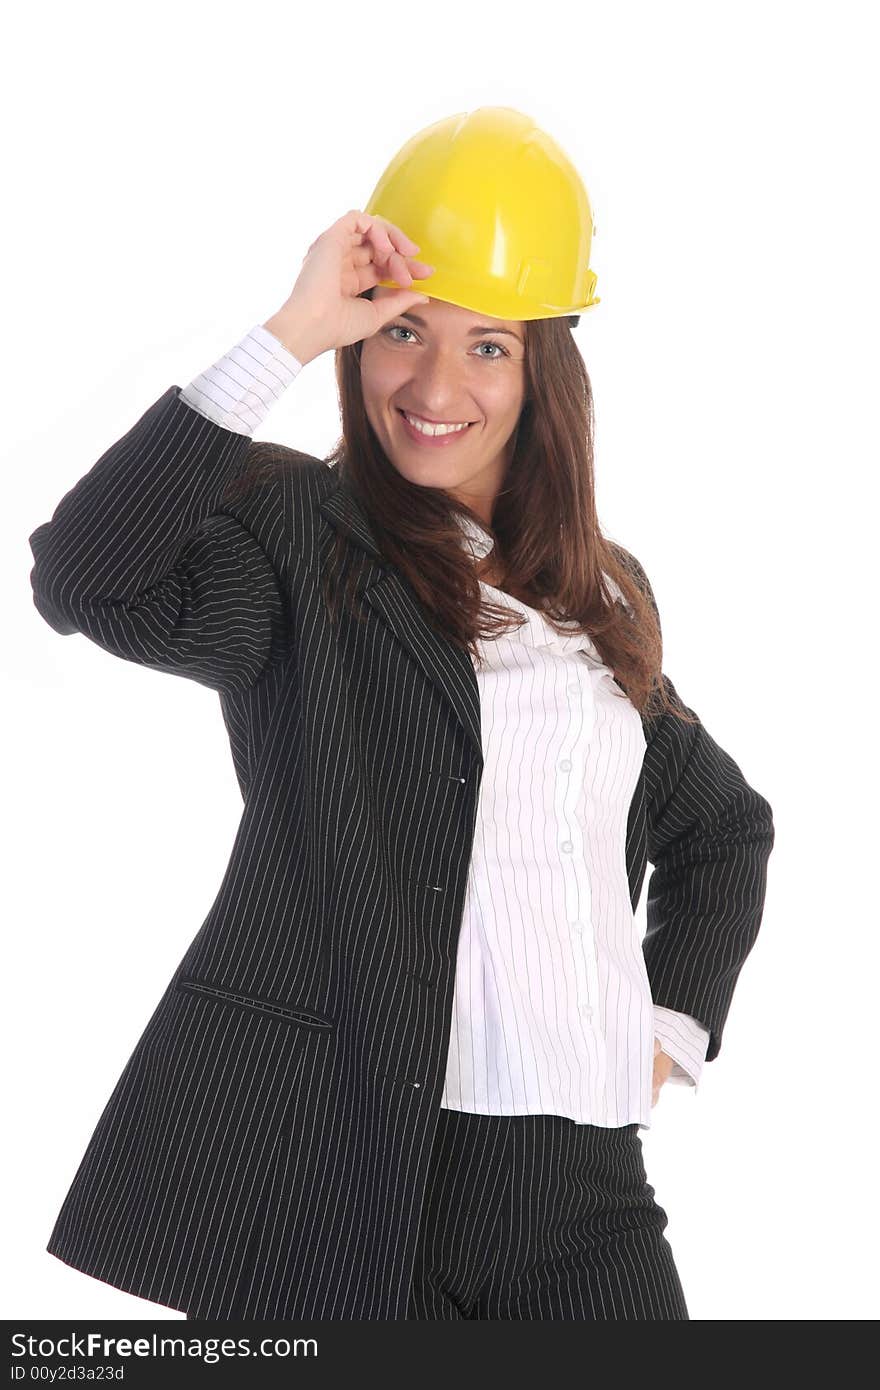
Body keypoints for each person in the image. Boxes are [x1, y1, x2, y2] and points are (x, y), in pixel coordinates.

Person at [29, 107, 775, 1321]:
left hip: (585, 1190)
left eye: (488, 346)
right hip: (362, 1165)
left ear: (544, 371)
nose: (434, 386)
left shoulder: (597, 591)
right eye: (401, 332)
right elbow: (87, 577)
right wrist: (290, 331)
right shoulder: (302, 539)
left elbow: (723, 828)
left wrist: (672, 1025)